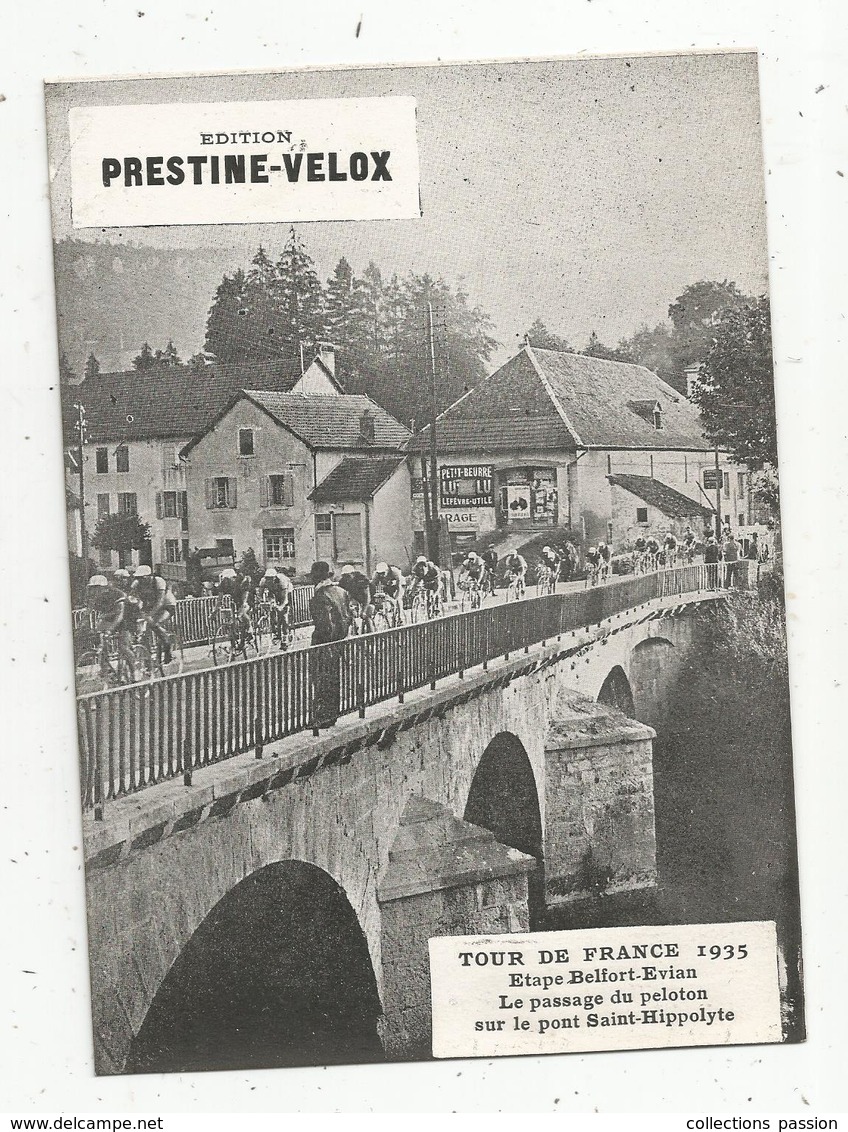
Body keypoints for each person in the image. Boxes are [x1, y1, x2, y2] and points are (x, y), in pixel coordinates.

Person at [309, 561, 353, 729]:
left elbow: (325, 625)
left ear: (316, 576)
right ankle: (332, 715)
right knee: (333, 679)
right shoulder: (341, 592)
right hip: (338, 642)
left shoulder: (320, 596)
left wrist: (323, 642)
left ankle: (321, 718)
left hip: (324, 644)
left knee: (320, 680)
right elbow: (348, 617)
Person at [85, 574, 139, 674]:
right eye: (92, 589)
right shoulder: (94, 597)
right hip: (111, 616)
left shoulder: (117, 594)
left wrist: (110, 630)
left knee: (123, 646)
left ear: (104, 588)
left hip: (127, 617)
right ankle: (105, 667)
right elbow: (87, 613)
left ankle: (135, 670)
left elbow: (120, 615)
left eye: (96, 588)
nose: (94, 591)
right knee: (99, 638)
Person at [131, 565, 177, 663]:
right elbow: (132, 598)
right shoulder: (137, 584)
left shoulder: (158, 582)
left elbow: (160, 602)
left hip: (167, 605)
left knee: (156, 623)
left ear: (149, 576)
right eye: (138, 578)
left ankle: (167, 644)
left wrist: (149, 615)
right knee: (145, 632)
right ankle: (148, 657)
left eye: (142, 578)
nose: (141, 580)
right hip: (150, 605)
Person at [258, 566, 293, 644]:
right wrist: (261, 602)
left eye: (271, 579)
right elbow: (260, 594)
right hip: (273, 592)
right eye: (267, 578)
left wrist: (281, 606)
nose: (269, 580)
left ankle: (285, 635)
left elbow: (285, 599)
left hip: (285, 590)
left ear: (275, 578)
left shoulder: (282, 581)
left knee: (283, 614)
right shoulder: (263, 581)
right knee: (272, 608)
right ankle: (275, 630)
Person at [338, 564, 373, 632]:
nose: (346, 578)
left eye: (348, 576)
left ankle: (373, 635)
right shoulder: (343, 581)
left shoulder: (362, 579)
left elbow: (367, 597)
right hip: (354, 596)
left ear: (353, 574)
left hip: (367, 595)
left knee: (367, 617)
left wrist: (364, 611)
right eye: (344, 576)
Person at [371, 562, 405, 626]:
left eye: (383, 573)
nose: (381, 575)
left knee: (398, 599)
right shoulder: (375, 575)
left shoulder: (395, 572)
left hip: (397, 584)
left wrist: (396, 597)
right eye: (379, 574)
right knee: (384, 597)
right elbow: (373, 586)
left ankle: (400, 618)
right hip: (387, 586)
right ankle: (387, 614)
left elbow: (399, 587)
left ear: (387, 571)